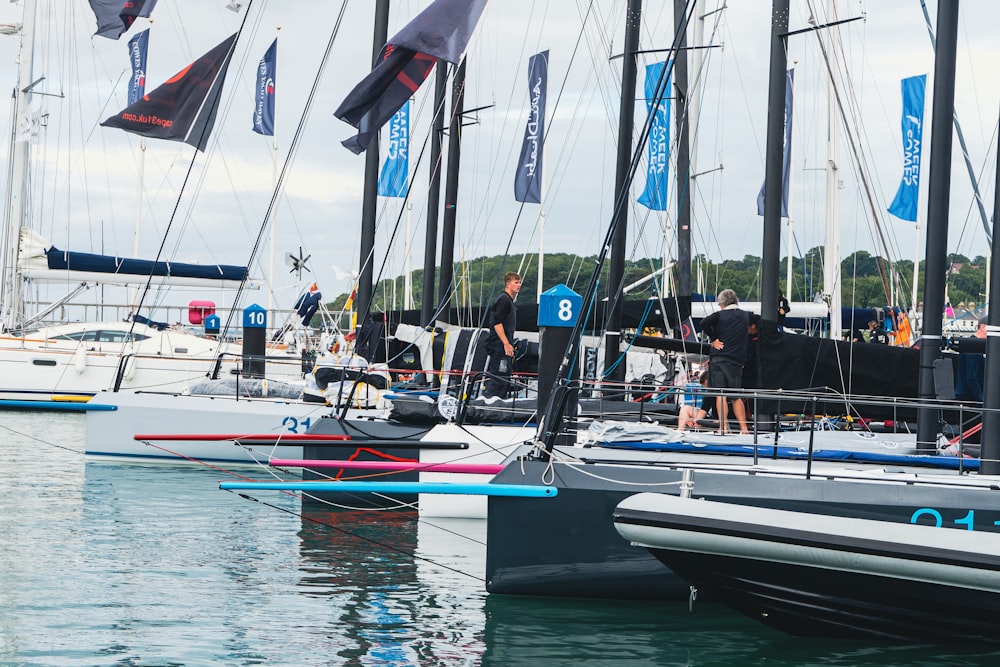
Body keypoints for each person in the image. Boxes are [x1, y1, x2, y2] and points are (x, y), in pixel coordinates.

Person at [699, 289, 750, 434]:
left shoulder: (720, 315)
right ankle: (744, 428)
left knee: (721, 394)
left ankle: (723, 427)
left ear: (722, 303)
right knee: (735, 395)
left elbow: (704, 323)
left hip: (720, 358)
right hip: (736, 360)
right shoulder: (746, 316)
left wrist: (714, 338)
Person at [483, 271, 521, 399]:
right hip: (499, 346)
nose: (519, 285)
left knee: (504, 378)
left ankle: (497, 402)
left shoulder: (509, 301)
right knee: (499, 378)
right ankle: (490, 403)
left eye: (519, 282)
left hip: (503, 346)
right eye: (516, 282)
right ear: (508, 284)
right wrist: (506, 343)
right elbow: (497, 323)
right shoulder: (503, 300)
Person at [955, 316, 987, 402]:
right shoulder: (974, 346)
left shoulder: (972, 344)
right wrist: (982, 401)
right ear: (984, 327)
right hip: (969, 398)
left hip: (969, 395)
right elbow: (971, 377)